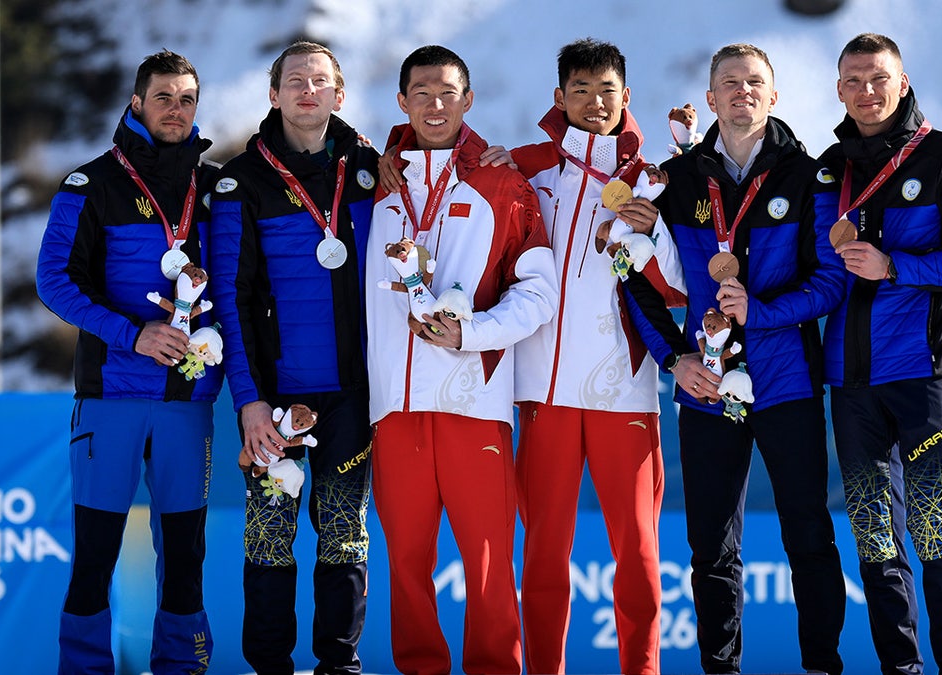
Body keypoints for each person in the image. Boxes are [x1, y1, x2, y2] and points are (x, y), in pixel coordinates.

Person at [624, 43, 847, 674]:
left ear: (773, 96)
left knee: (808, 533)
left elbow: (831, 282)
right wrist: (674, 359)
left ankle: (822, 666)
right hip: (707, 385)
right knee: (711, 546)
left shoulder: (808, 177)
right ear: (711, 98)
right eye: (730, 83)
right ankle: (721, 669)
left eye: (754, 82)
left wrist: (761, 311)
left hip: (787, 382)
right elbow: (630, 272)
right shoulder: (677, 180)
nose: (742, 92)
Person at [365, 44, 557, 675]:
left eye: (448, 92)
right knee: (406, 562)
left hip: (474, 403)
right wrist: (383, 155)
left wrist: (471, 334)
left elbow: (539, 292)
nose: (435, 104)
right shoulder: (376, 185)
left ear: (468, 100)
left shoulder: (504, 185)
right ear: (402, 102)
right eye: (421, 93)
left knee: (488, 560)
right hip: (394, 407)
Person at [821, 33, 942, 675]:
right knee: (873, 534)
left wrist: (894, 266)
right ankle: (900, 667)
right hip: (850, 381)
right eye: (853, 80)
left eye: (878, 78)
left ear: (902, 82)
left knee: (933, 526)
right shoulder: (829, 167)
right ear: (838, 89)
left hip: (925, 376)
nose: (866, 92)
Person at [36, 49, 221, 674]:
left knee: (186, 556)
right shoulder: (91, 183)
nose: (176, 109)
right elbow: (54, 281)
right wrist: (131, 335)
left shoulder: (216, 189)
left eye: (187, 99)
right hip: (110, 398)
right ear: (137, 102)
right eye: (163, 97)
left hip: (187, 402)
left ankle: (183, 666)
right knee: (95, 556)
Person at [507, 38, 683, 675]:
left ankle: (643, 669)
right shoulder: (524, 169)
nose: (594, 102)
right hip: (545, 391)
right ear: (560, 98)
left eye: (607, 90)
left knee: (637, 551)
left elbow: (680, 288)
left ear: (625, 96)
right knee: (543, 554)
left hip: (622, 390)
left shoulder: (653, 181)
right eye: (580, 90)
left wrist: (653, 230)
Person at [207, 41, 378, 675]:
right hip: (276, 400)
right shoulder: (241, 181)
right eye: (296, 81)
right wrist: (250, 401)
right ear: (274, 94)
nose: (309, 91)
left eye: (321, 81)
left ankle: (340, 665)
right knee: (270, 536)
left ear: (340, 94)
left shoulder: (372, 168)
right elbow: (230, 299)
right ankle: (269, 666)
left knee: (344, 535)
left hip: (352, 395)